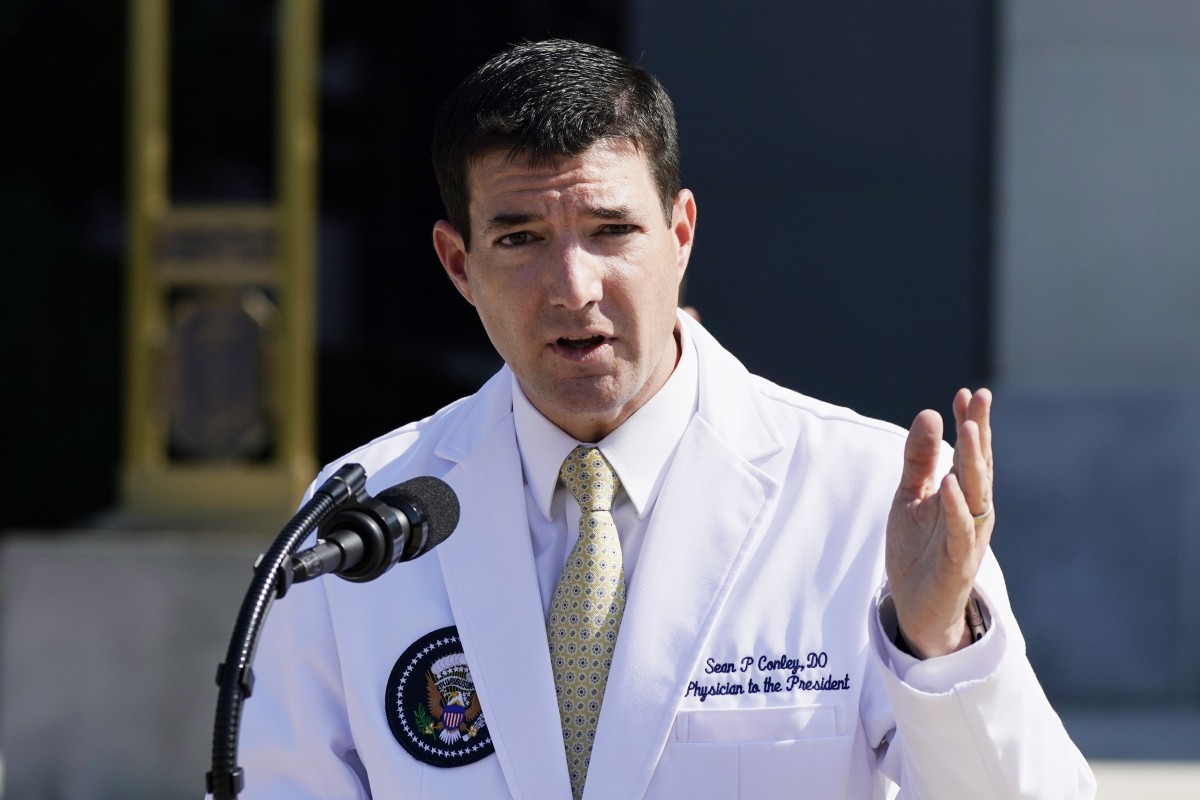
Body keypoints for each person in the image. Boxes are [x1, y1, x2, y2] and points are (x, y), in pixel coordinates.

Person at [235, 39, 1095, 798]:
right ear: (458, 264)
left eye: (612, 230)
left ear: (680, 233)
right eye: (520, 238)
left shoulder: (864, 498)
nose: (573, 288)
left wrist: (938, 643)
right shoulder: (369, 521)